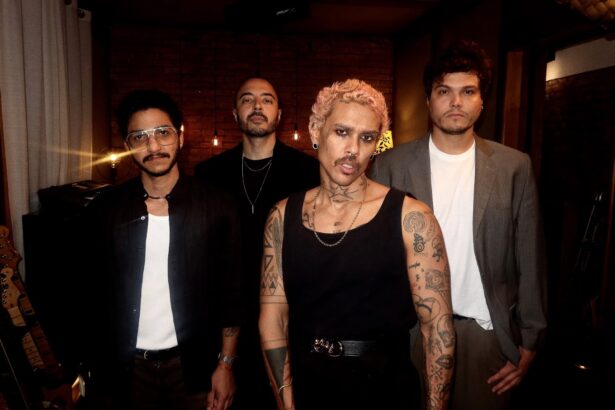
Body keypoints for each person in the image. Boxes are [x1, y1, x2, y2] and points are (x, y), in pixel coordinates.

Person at [370, 40, 547, 409]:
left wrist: (531, 338)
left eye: (468, 91)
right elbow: (374, 258)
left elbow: (530, 257)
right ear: (428, 100)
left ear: (482, 101)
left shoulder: (514, 167)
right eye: (444, 91)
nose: (455, 102)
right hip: (413, 335)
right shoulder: (391, 165)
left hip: (486, 335)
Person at [259, 79, 455, 410]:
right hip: (309, 386)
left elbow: (437, 330)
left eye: (367, 138)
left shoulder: (411, 217)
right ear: (315, 131)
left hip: (385, 389)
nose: (353, 149)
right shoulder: (282, 216)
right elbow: (272, 317)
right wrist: (286, 400)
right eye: (342, 132)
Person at [84, 89, 241, 409]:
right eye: (139, 137)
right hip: (124, 372)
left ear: (180, 136)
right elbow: (88, 292)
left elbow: (232, 293)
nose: (153, 146)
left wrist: (225, 364)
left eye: (163, 133)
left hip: (193, 369)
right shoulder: (105, 210)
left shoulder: (217, 205)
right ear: (128, 146)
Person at [194, 77, 319, 409]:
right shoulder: (208, 174)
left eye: (267, 99)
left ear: (279, 114)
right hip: (227, 316)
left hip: (290, 316)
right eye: (247, 99)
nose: (257, 106)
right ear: (235, 114)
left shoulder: (308, 172)